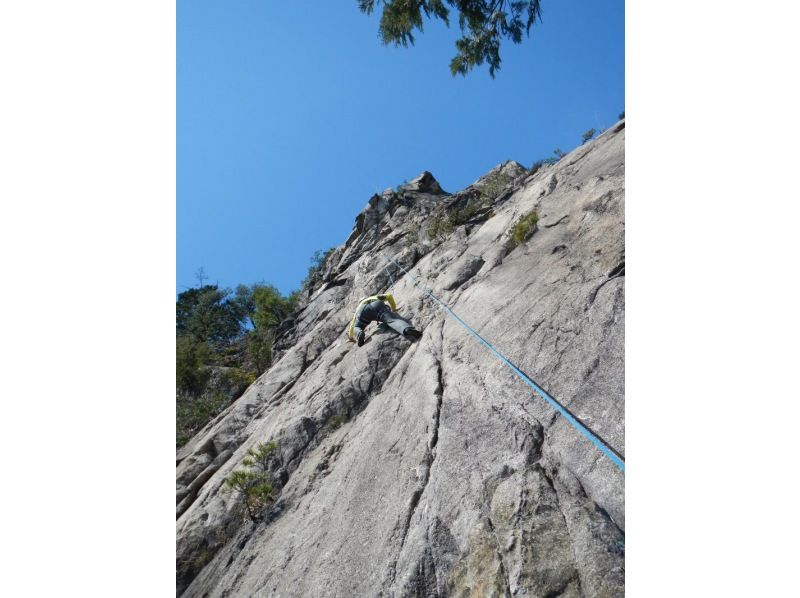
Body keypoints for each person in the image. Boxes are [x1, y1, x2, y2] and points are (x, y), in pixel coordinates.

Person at [346, 293, 422, 347]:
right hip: (376, 303)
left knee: (357, 326)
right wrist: (394, 308)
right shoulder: (373, 297)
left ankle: (359, 333)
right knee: (392, 320)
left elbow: (352, 325)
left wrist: (350, 337)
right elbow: (389, 296)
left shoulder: (358, 308)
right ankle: (406, 329)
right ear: (366, 298)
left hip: (363, 312)